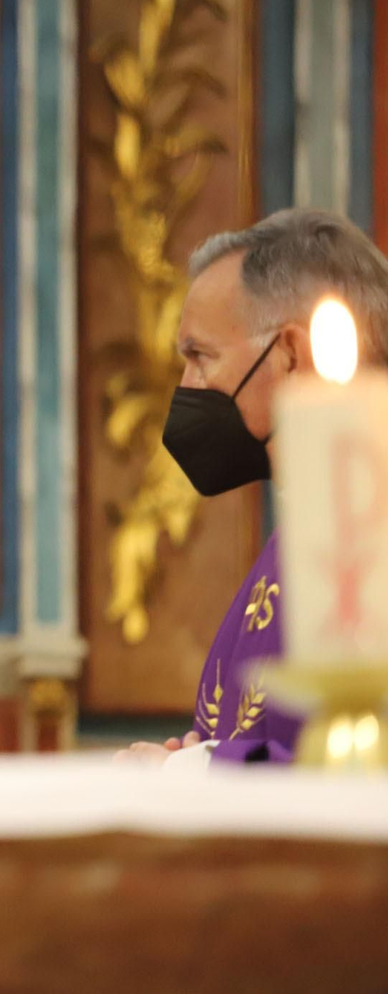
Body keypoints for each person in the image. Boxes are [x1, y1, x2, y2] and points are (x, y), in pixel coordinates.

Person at [121, 208, 388, 766]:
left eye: (200, 357)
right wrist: (200, 763)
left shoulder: (370, 528)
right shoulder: (309, 526)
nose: (186, 387)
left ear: (291, 354)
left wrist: (190, 775)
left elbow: (359, 767)